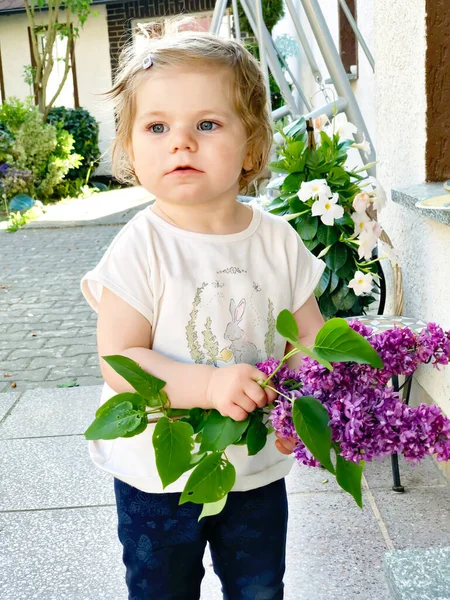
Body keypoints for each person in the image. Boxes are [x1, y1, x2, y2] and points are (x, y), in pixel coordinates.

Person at [81, 24, 326, 600]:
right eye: (158, 126)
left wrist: (307, 406)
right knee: (161, 586)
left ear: (253, 146)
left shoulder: (278, 240)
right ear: (129, 148)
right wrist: (210, 384)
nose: (181, 143)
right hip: (157, 478)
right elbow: (120, 360)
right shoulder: (141, 246)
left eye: (207, 124)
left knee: (260, 584)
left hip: (254, 467)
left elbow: (307, 340)